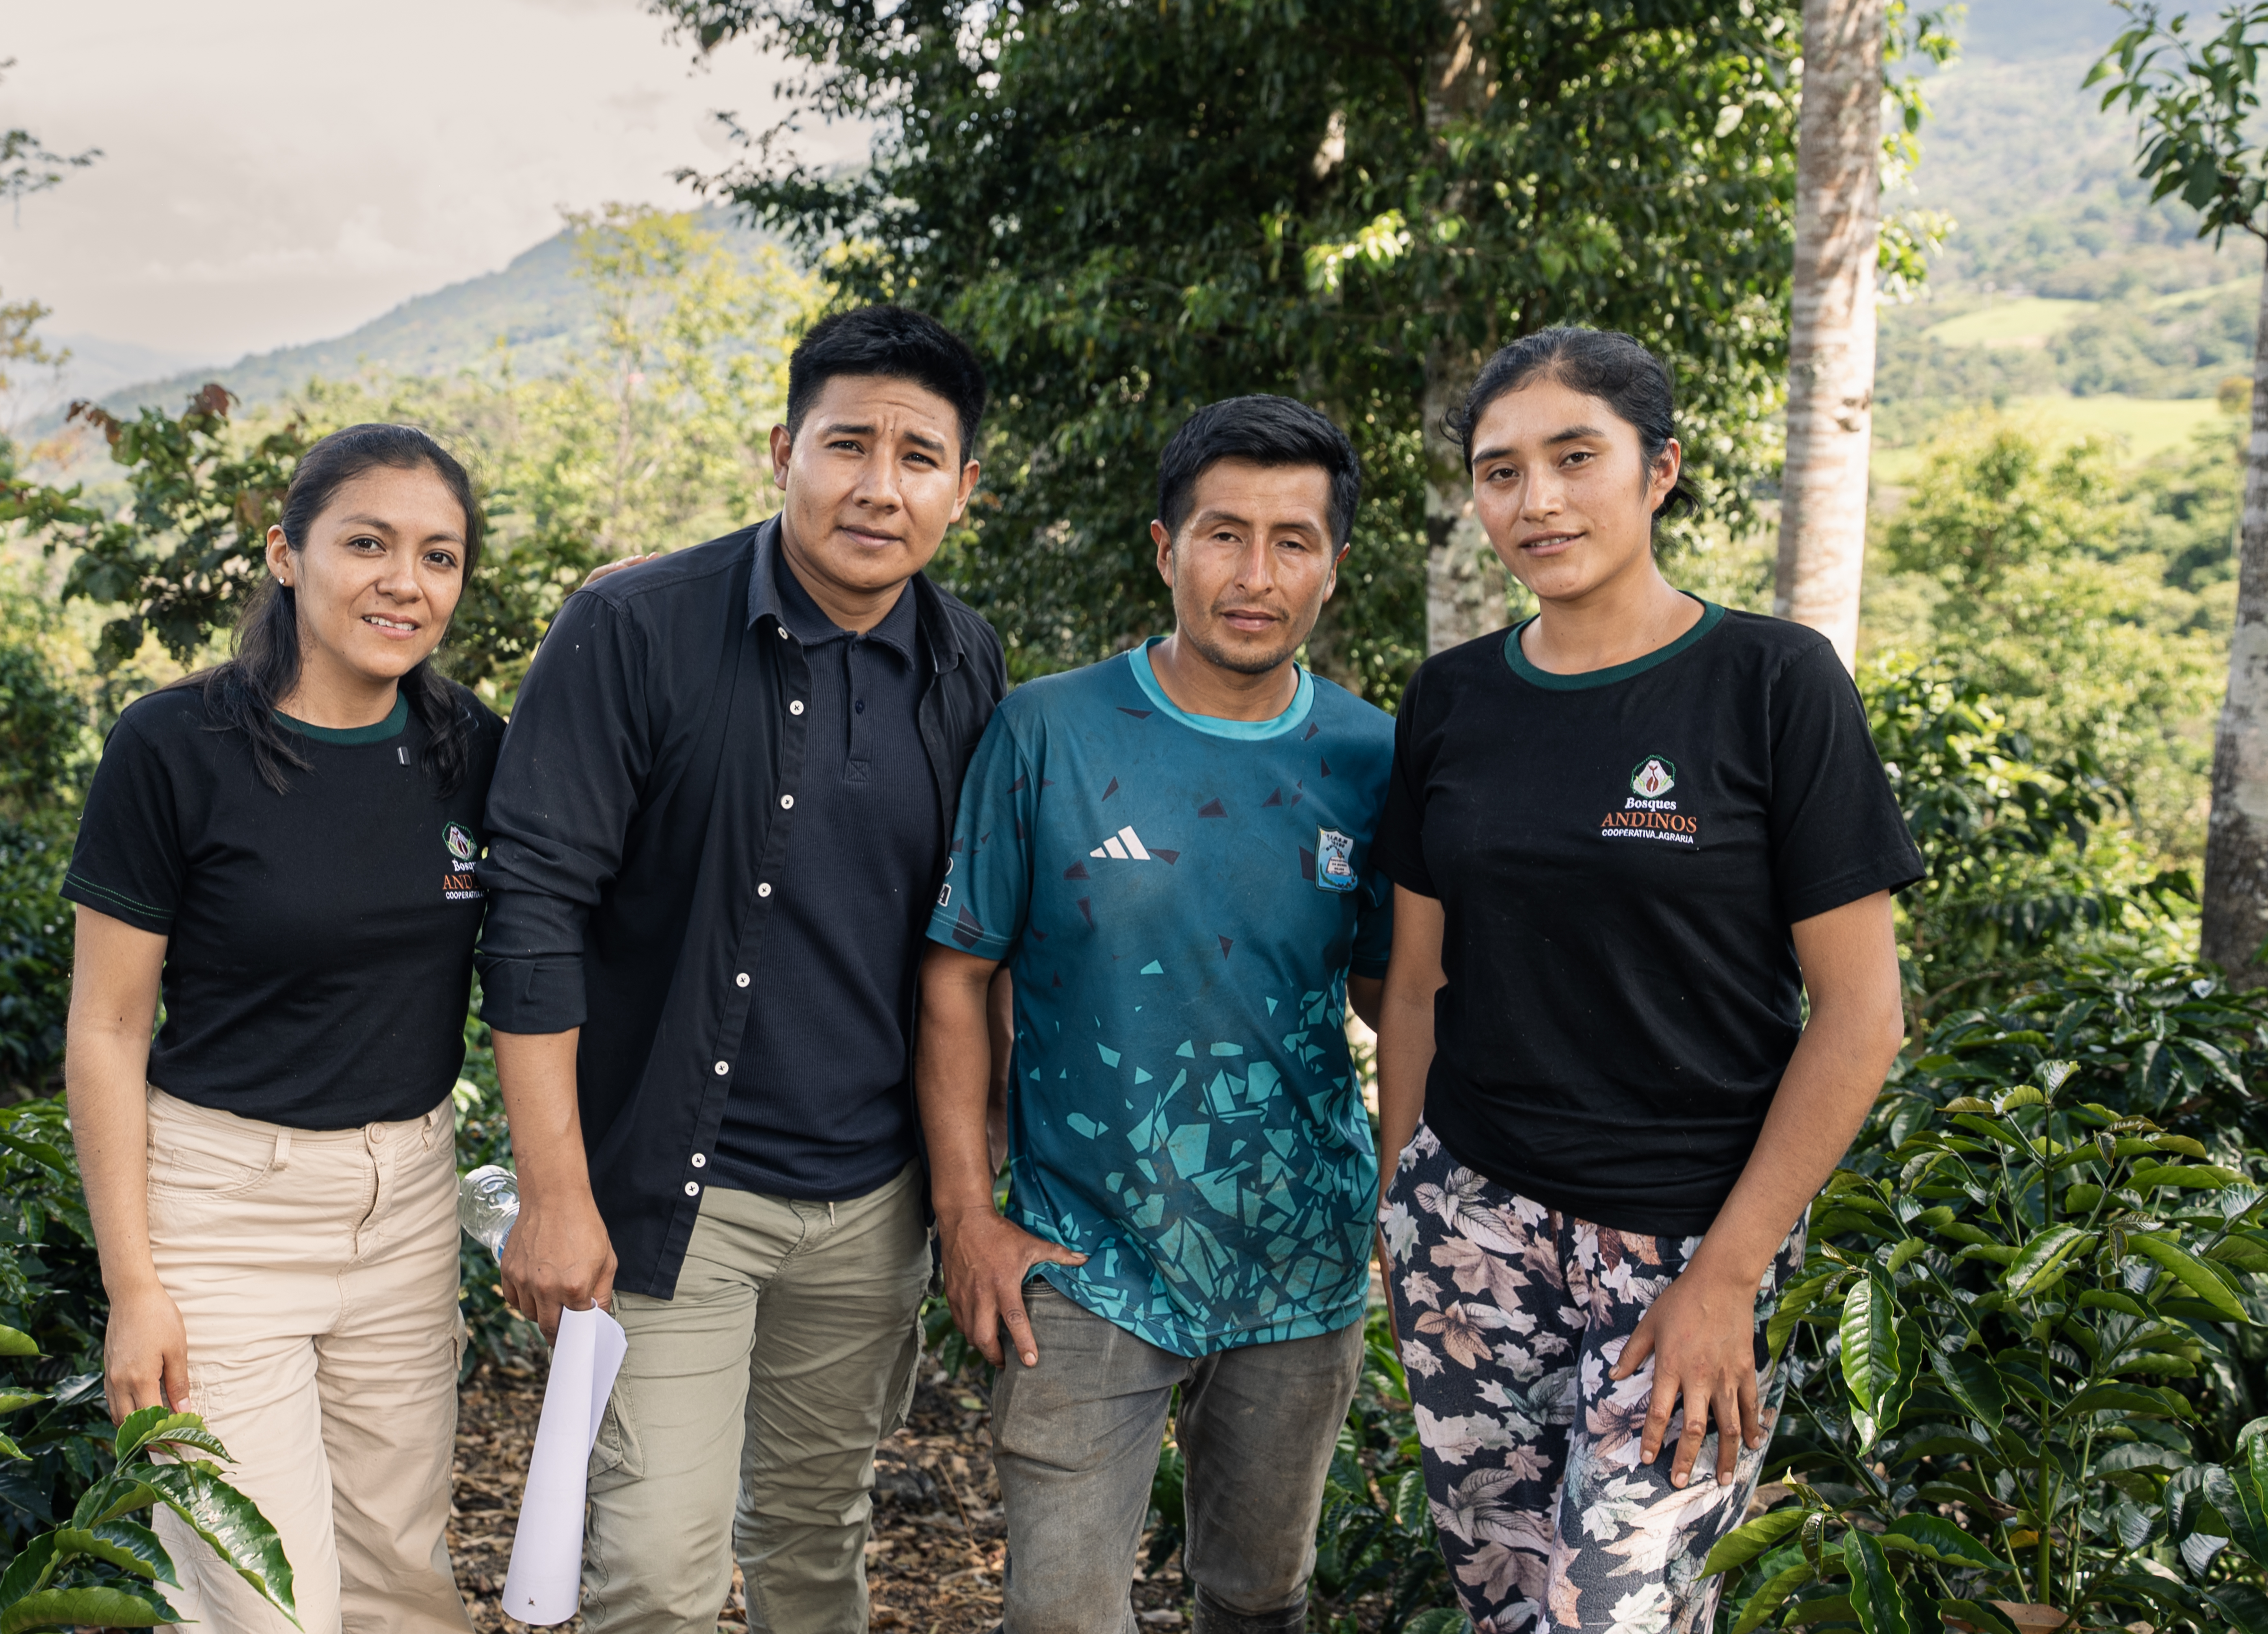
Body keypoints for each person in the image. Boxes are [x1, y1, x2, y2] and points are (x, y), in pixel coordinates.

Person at [1370, 328, 1921, 1634]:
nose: (1536, 500)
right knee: (1503, 1606)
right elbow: (1411, 984)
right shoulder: (1450, 699)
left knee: (1614, 1616)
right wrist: (1406, 1205)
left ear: (1657, 471)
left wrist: (1725, 1277)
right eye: (1499, 472)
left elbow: (1859, 1015)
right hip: (1470, 1229)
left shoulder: (1770, 683)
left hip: (1687, 1244)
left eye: (1575, 458)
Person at [475, 304, 1008, 1634]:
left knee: (814, 1545)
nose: (877, 487)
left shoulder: (963, 662)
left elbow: (968, 948)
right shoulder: (636, 629)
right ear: (782, 450)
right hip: (670, 1194)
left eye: (918, 457)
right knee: (654, 1573)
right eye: (846, 445)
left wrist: (963, 1190)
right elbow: (532, 905)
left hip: (867, 1200)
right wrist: (552, 1191)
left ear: (964, 487)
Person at [920, 395, 1394, 1634]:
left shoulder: (1374, 757)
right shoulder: (1049, 731)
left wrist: (1418, 1202)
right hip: (1083, 1258)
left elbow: (1407, 1000)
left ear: (1335, 569)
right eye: (1223, 534)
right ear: (1163, 547)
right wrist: (968, 1215)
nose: (1255, 574)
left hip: (1305, 1263)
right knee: (1063, 1616)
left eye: (1293, 541)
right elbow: (958, 977)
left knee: (1257, 1598)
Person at [65, 424, 503, 1634]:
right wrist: (133, 1283)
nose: (403, 583)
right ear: (285, 553)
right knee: (260, 1605)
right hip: (221, 1211)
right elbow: (105, 1027)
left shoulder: (475, 750)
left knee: (402, 1583)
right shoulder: (175, 747)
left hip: (407, 1199)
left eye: (440, 557)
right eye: (366, 544)